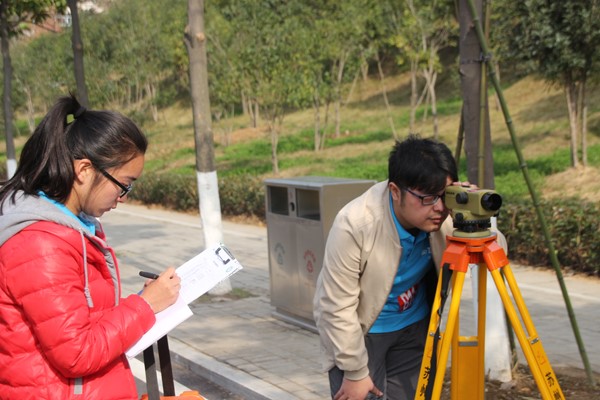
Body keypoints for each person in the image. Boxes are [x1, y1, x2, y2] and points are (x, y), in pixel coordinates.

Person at [0, 94, 181, 399]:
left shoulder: (70, 229)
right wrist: (145, 306)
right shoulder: (42, 245)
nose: (124, 197)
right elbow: (77, 353)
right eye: (123, 184)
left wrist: (142, 300)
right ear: (84, 170)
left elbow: (81, 318)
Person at [313, 135, 506, 400]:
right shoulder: (356, 224)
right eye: (428, 198)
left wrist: (472, 216)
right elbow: (335, 306)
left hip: (415, 329)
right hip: (361, 333)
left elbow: (497, 252)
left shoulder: (445, 216)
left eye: (445, 195)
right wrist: (355, 371)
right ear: (395, 191)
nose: (439, 208)